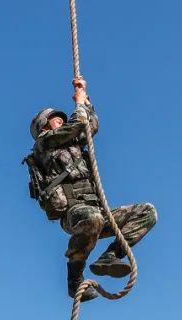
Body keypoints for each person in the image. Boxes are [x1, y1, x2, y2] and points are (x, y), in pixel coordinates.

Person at [25, 77, 158, 300]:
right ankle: (74, 278)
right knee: (93, 218)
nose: (61, 122)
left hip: (95, 210)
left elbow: (90, 125)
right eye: (56, 120)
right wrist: (78, 105)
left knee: (147, 212)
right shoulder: (44, 144)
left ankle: (110, 256)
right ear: (44, 126)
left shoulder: (74, 141)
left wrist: (86, 101)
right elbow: (78, 124)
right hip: (75, 214)